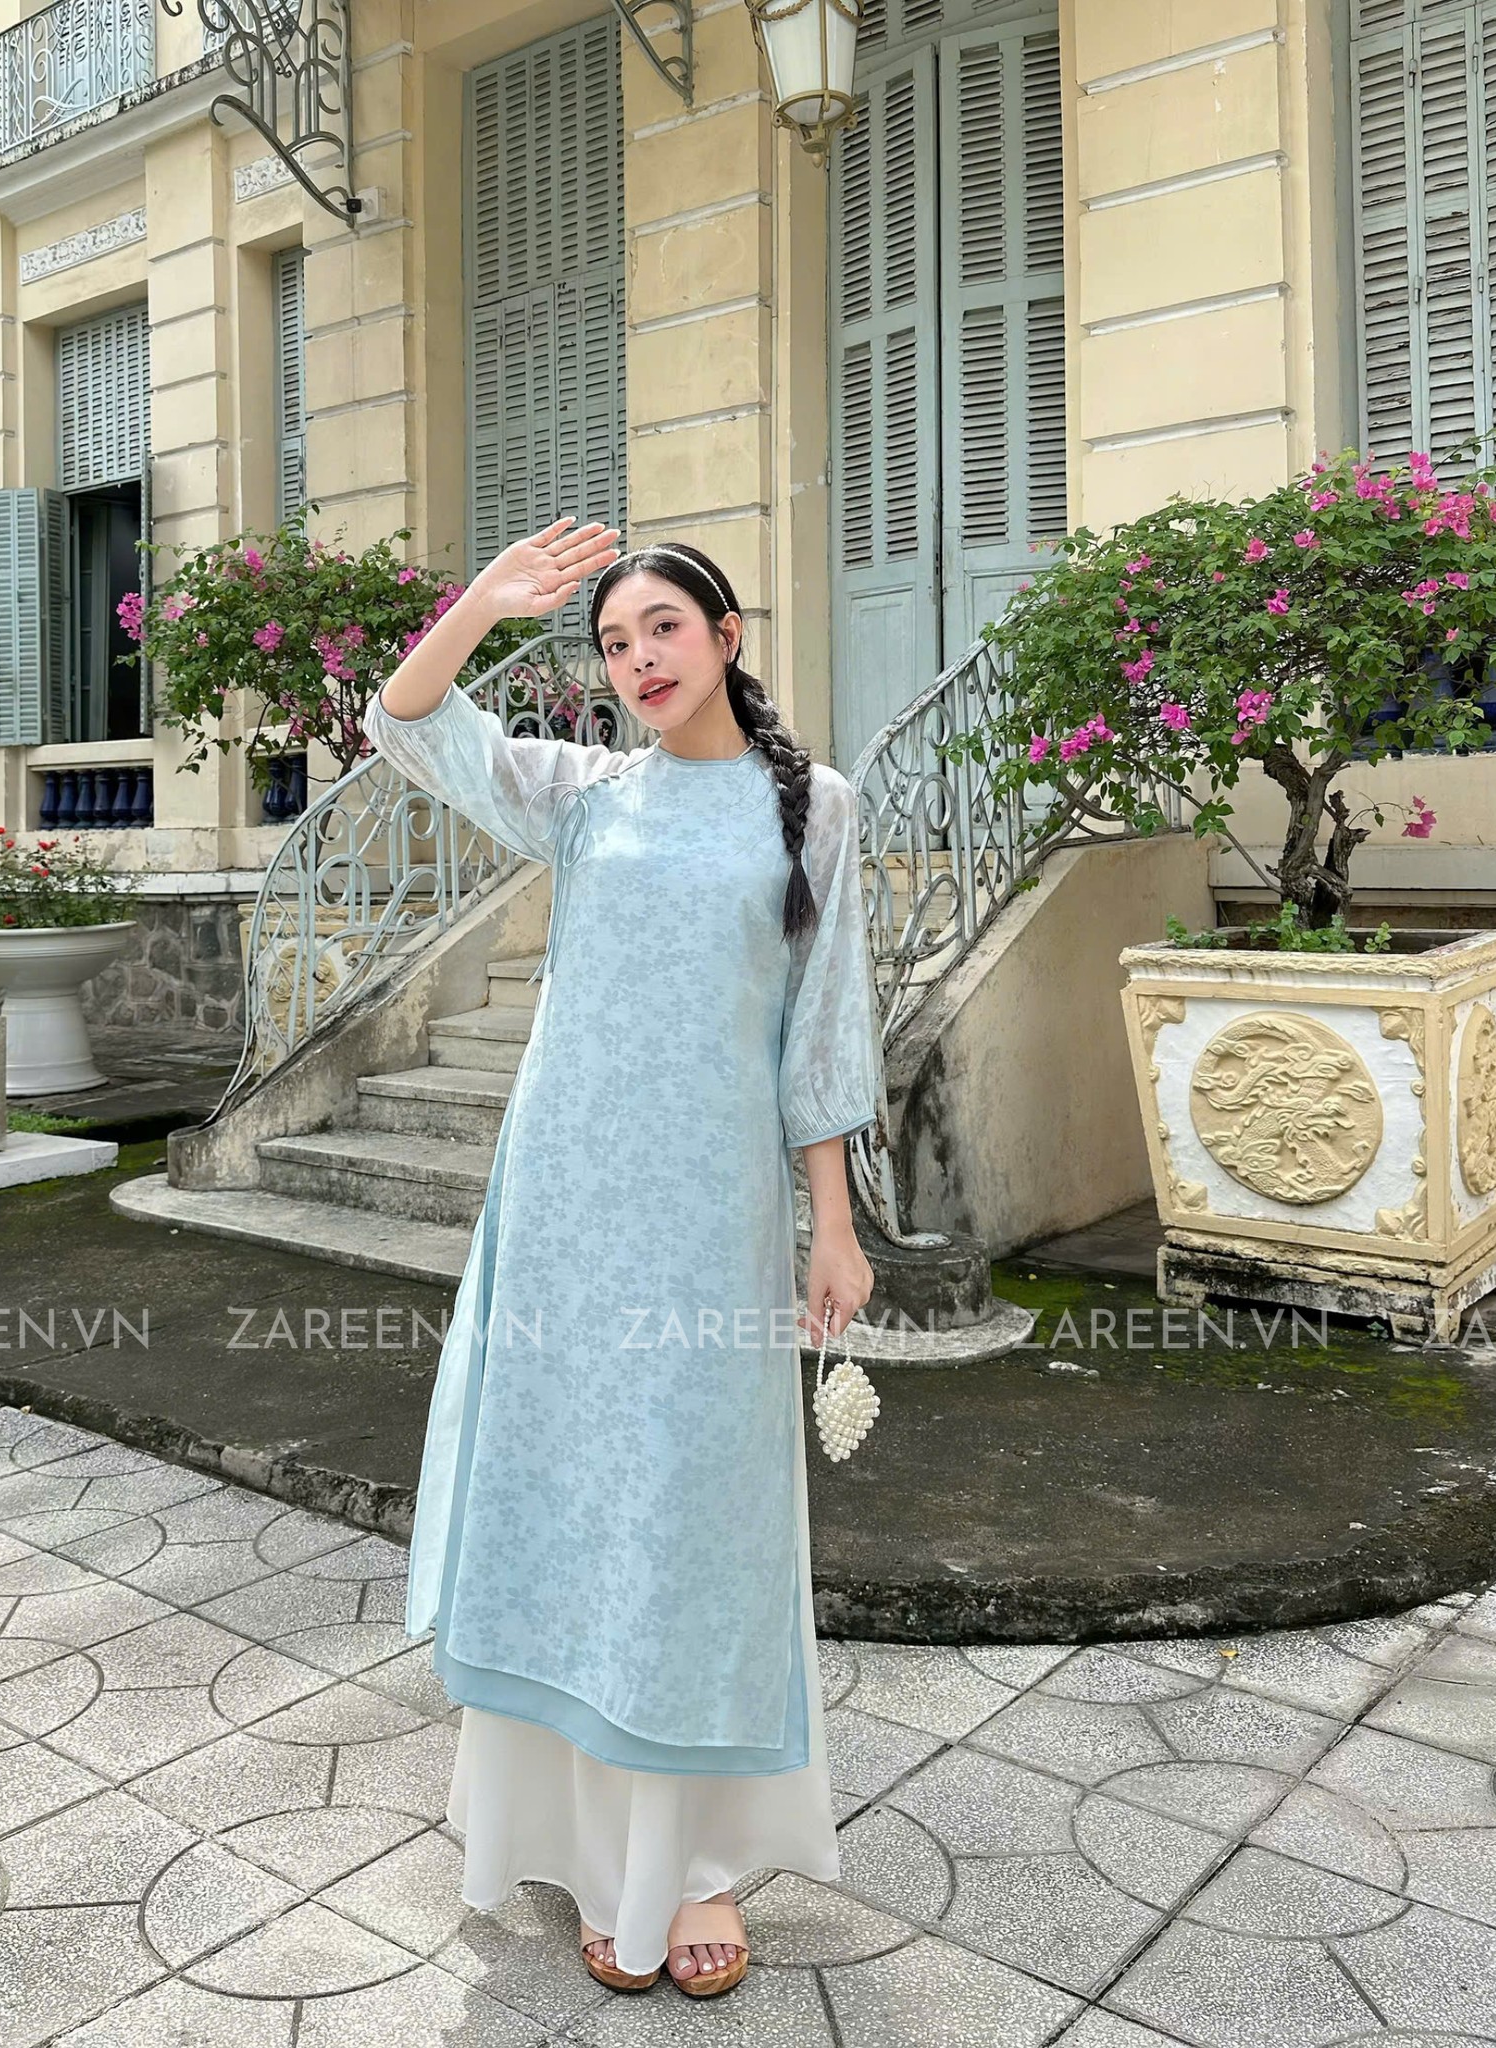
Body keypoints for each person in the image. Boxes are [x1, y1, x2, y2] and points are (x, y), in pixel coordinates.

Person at [360, 516, 886, 1998]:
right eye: (613, 642)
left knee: (688, 1513)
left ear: (727, 638)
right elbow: (409, 722)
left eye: (663, 628)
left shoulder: (815, 811)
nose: (640, 659)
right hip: (568, 1213)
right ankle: (587, 1856)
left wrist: (834, 1225)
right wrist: (484, 602)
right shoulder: (583, 797)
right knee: (573, 1497)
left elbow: (822, 1029)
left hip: (713, 1221)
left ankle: (692, 1869)